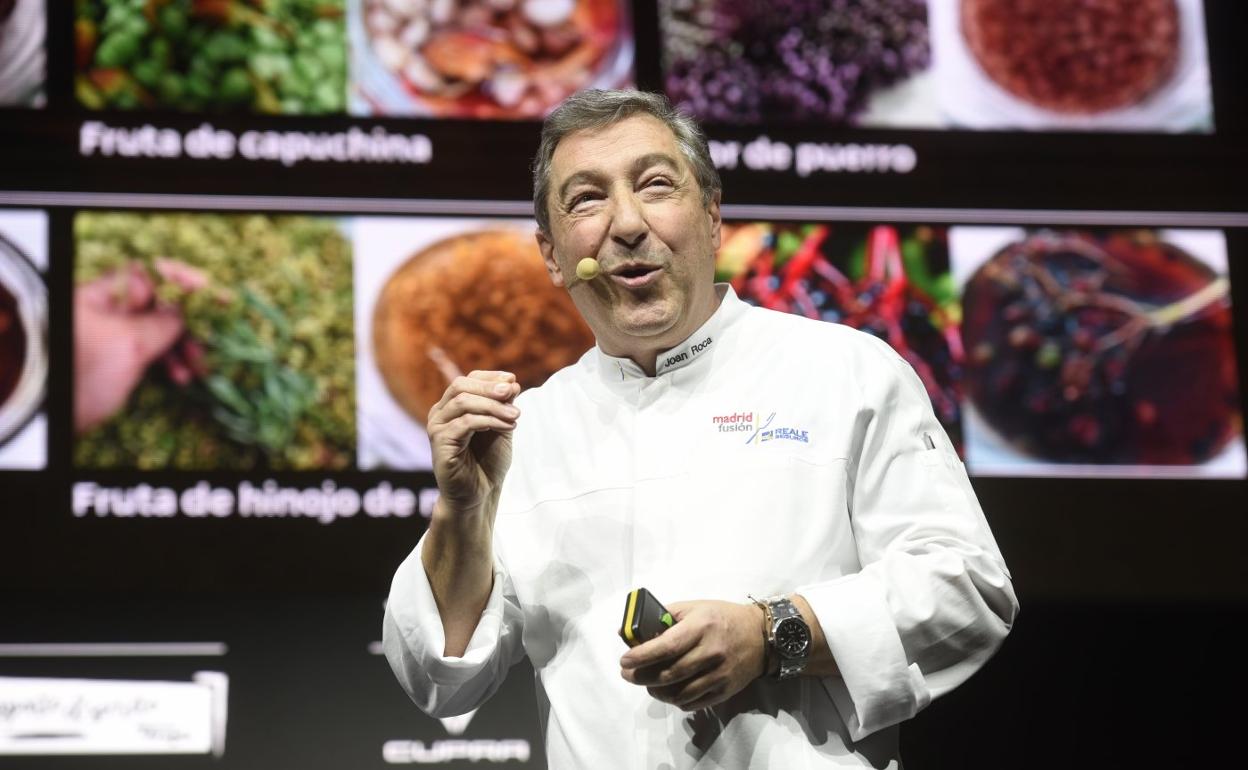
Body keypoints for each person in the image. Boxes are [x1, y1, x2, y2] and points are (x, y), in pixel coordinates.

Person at [383, 89, 1018, 768]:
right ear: (552, 254)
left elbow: (966, 586)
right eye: (587, 199)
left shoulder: (845, 371)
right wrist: (461, 509)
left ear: (713, 218)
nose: (626, 223)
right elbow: (441, 677)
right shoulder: (524, 431)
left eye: (656, 185)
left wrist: (773, 632)